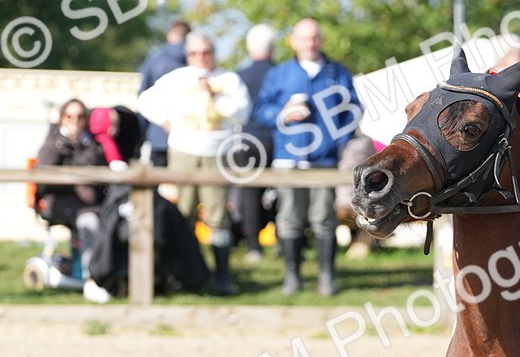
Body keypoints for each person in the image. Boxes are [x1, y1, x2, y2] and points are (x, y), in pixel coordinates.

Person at [137, 31, 251, 295]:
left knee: (218, 215)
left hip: (217, 152)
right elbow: (144, 101)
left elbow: (243, 112)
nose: (201, 58)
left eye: (206, 52)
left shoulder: (228, 80)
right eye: (195, 53)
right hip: (184, 151)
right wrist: (166, 121)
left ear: (214, 53)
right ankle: (186, 274)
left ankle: (222, 278)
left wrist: (214, 95)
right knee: (184, 213)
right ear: (187, 55)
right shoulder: (176, 78)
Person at [255, 18, 361, 296]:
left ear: (321, 40)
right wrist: (282, 114)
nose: (309, 43)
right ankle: (293, 276)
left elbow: (353, 110)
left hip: (324, 161)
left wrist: (337, 138)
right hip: (288, 159)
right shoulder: (279, 74)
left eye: (314, 37)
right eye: (304, 38)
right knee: (289, 217)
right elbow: (260, 110)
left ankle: (327, 277)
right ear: (293, 41)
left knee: (324, 218)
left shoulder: (337, 73)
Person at [35, 98, 113, 304]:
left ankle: (113, 275)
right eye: (69, 116)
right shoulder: (53, 142)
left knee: (111, 219)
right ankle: (91, 280)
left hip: (92, 203)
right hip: (61, 202)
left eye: (79, 116)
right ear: (62, 117)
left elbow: (101, 169)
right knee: (89, 222)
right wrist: (65, 144)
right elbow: (43, 173)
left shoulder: (93, 143)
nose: (74, 121)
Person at [234, 23, 277, 264]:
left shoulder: (238, 76)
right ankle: (283, 241)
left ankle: (254, 247)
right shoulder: (279, 73)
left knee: (249, 194)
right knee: (283, 191)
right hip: (275, 141)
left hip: (245, 142)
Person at [138, 20, 191, 166]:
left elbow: (143, 98)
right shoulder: (194, 61)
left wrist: (143, 133)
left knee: (158, 181)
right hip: (187, 137)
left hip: (158, 135)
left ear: (170, 36)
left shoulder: (154, 61)